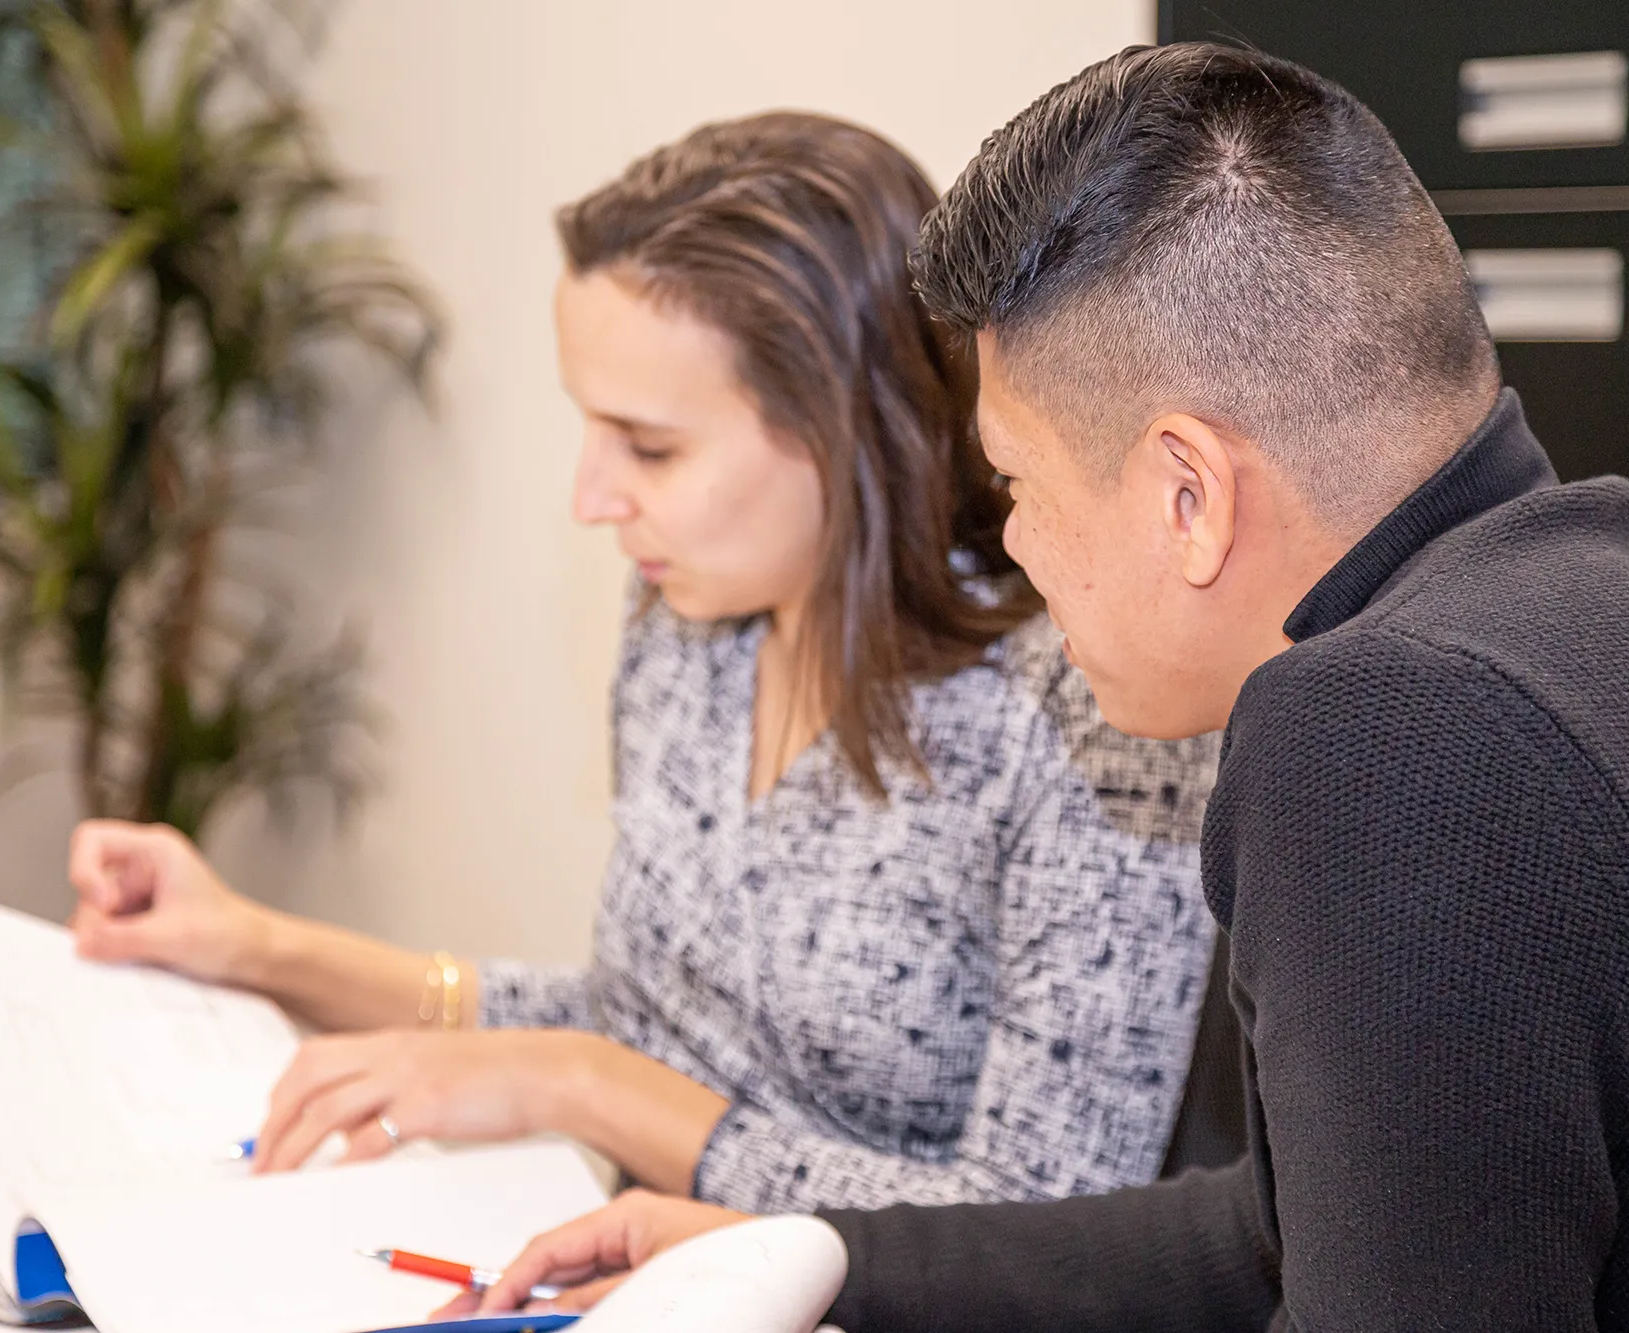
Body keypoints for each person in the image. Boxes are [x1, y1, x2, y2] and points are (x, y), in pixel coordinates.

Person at [455, 44, 1629, 1330]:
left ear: (1188, 492)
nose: (1008, 540)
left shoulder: (1389, 730)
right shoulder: (1582, 612)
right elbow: (1274, 1230)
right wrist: (819, 1248)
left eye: (1016, 484)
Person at [65, 111, 1220, 1215]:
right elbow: (637, 1026)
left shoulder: (1084, 703)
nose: (591, 498)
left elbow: (1047, 1230)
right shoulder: (686, 619)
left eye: (649, 446)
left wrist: (581, 1089)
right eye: (590, 427)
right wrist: (251, 945)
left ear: (844, 427)